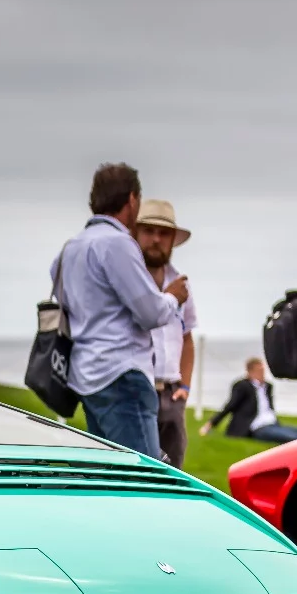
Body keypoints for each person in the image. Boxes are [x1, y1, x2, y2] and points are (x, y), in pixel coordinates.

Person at [49, 164, 188, 458]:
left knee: (111, 471)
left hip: (86, 375)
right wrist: (172, 297)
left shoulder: (70, 248)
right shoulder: (118, 243)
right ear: (132, 200)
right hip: (121, 372)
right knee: (144, 473)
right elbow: (151, 313)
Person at [132, 200, 196, 467]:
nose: (156, 239)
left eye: (164, 233)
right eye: (149, 231)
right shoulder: (129, 279)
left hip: (170, 393)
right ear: (136, 234)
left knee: (174, 472)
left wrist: (185, 387)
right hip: (136, 389)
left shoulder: (181, 283)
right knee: (134, 469)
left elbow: (187, 337)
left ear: (172, 240)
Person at [198, 358, 297, 444]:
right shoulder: (242, 386)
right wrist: (210, 424)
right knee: (296, 438)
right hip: (257, 427)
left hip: (272, 423)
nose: (262, 374)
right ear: (250, 372)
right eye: (259, 371)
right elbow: (230, 406)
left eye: (263, 371)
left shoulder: (268, 386)